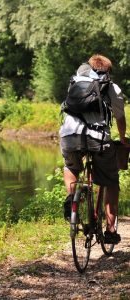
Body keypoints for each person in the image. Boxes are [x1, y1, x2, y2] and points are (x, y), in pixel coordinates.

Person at [59, 54, 127, 244]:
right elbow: (120, 118)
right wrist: (122, 138)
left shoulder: (75, 82)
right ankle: (110, 230)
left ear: (88, 67)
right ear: (108, 71)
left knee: (71, 167)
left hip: (69, 135)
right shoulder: (112, 88)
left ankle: (72, 199)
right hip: (98, 139)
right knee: (110, 180)